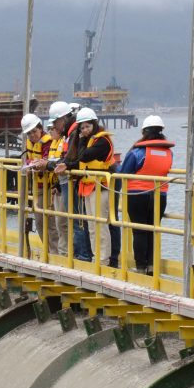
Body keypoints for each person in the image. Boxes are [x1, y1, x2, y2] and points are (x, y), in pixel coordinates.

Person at [55, 107, 114, 266]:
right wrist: (67, 165)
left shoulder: (102, 141)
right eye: (82, 128)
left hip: (100, 187)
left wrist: (80, 139)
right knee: (92, 226)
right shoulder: (89, 141)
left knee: (100, 225)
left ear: (94, 124)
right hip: (89, 187)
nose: (85, 130)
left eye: (87, 126)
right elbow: (81, 162)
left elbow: (84, 156)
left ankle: (103, 260)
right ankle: (96, 257)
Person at [119, 115, 174, 274]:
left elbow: (124, 172)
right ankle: (151, 266)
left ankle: (141, 267)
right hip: (160, 196)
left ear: (144, 132)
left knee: (139, 231)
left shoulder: (138, 152)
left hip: (137, 195)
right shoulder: (169, 153)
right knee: (153, 230)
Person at [21, 113, 59, 254]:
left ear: (40, 129)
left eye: (34, 131)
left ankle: (55, 253)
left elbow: (47, 159)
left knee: (50, 222)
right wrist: (30, 164)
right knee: (39, 222)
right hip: (37, 187)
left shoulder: (48, 142)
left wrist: (36, 164)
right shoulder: (28, 144)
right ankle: (47, 251)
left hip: (49, 186)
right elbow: (27, 159)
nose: (32, 135)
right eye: (29, 133)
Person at [45, 102, 74, 256]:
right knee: (62, 222)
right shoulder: (67, 137)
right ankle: (64, 253)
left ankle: (71, 254)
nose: (53, 128)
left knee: (70, 222)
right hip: (61, 184)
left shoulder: (71, 136)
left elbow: (69, 160)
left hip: (71, 184)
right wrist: (57, 184)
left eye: (55, 124)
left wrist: (47, 165)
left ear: (63, 119)